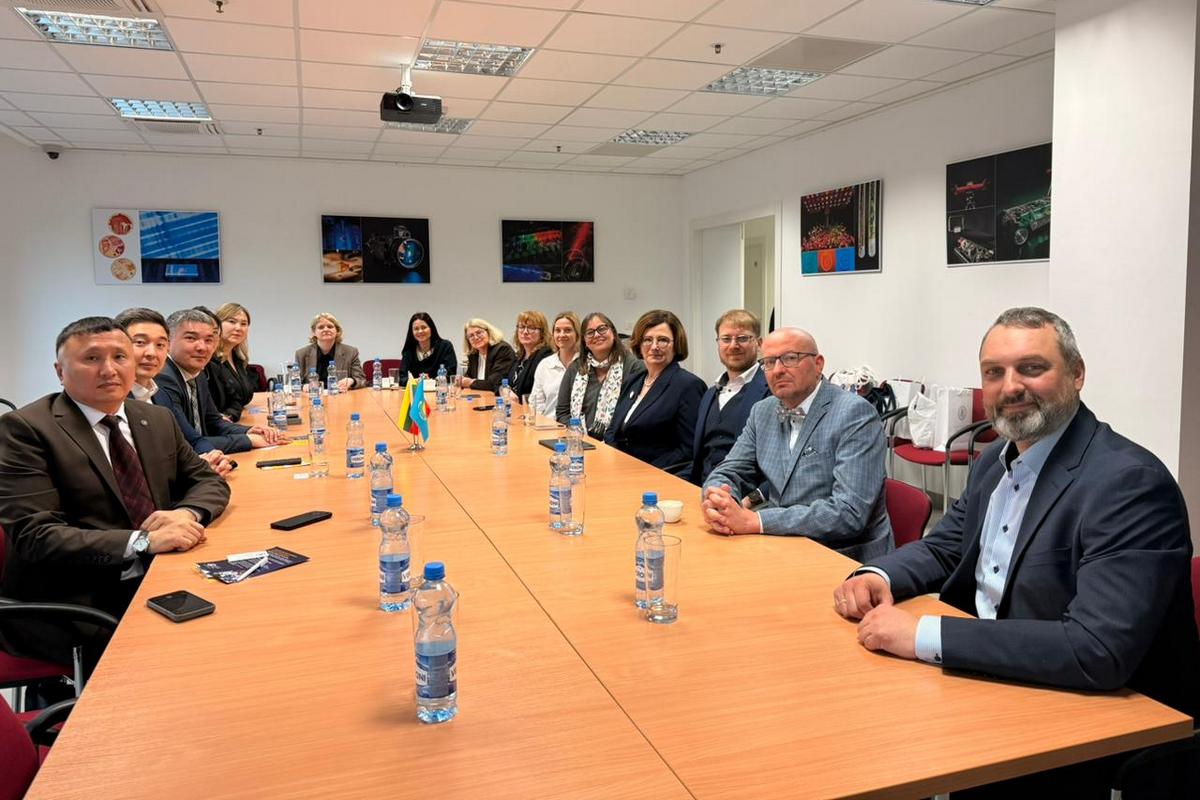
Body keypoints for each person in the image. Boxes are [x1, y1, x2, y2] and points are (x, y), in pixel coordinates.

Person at [834, 308, 1198, 756]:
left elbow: (1097, 648)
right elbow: (948, 546)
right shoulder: (996, 459)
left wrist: (923, 636)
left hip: (1094, 726)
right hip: (992, 678)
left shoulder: (1130, 484)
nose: (1010, 387)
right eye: (994, 372)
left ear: (1077, 374)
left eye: (1032, 368)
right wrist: (877, 575)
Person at [0, 316, 230, 674]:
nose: (109, 369)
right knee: (182, 660)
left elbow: (208, 482)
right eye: (91, 358)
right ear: (60, 371)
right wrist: (143, 541)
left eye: (120, 357)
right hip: (78, 599)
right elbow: (37, 536)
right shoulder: (25, 430)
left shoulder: (155, 418)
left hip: (161, 574)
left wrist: (186, 513)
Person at [701, 327, 892, 562]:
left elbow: (849, 513)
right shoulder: (762, 411)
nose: (778, 370)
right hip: (780, 545)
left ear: (818, 364)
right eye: (769, 362)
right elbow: (729, 470)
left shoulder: (855, 414)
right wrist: (719, 501)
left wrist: (756, 521)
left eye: (790, 358)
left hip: (843, 555)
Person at [114, 307, 233, 478]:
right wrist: (195, 470)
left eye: (160, 345)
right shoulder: (110, 402)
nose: (151, 353)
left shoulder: (159, 394)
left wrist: (213, 458)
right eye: (140, 342)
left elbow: (189, 442)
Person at [155, 308, 285, 454]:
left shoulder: (197, 373)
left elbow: (213, 421)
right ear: (167, 341)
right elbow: (187, 442)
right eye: (191, 338)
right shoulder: (163, 378)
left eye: (209, 340)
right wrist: (248, 440)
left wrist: (248, 430)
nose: (202, 347)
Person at [605, 310, 705, 472]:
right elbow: (612, 430)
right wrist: (618, 461)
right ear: (639, 344)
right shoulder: (633, 381)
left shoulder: (688, 385)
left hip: (659, 474)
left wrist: (643, 470)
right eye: (647, 340)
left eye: (663, 340)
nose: (654, 347)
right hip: (621, 469)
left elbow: (688, 449)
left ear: (676, 345)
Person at [689, 309, 770, 485]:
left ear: (759, 343)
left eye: (742, 338)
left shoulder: (771, 391)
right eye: (726, 339)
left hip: (745, 493)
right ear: (718, 343)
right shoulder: (709, 394)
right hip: (702, 489)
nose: (733, 346)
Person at [556, 312, 645, 437]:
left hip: (619, 442)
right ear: (584, 341)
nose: (597, 335)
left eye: (602, 329)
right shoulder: (575, 368)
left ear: (613, 333)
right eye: (590, 332)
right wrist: (579, 435)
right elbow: (562, 412)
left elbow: (637, 413)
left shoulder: (634, 367)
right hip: (579, 441)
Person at [205, 302, 258, 421]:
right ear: (217, 325)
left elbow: (241, 398)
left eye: (243, 324)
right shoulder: (209, 359)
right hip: (220, 425)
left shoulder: (239, 358)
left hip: (238, 420)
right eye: (232, 322)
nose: (238, 328)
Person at [294, 312, 366, 392]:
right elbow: (294, 382)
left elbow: (361, 380)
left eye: (330, 326)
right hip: (313, 396)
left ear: (337, 331)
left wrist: (352, 381)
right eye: (321, 327)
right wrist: (303, 386)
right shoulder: (301, 354)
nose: (326, 329)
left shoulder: (351, 352)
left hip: (340, 396)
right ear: (313, 332)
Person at [529, 311, 580, 420]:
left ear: (577, 334)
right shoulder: (545, 365)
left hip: (576, 426)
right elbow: (535, 404)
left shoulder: (585, 364)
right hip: (548, 425)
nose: (562, 335)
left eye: (568, 330)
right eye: (557, 330)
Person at [458, 318, 516, 394]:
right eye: (471, 336)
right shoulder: (473, 354)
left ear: (488, 332)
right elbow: (468, 377)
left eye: (479, 332)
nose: (476, 337)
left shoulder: (502, 349)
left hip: (499, 397)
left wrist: (470, 382)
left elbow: (494, 383)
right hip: (479, 396)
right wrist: (460, 380)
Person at [505, 310, 552, 402]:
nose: (525, 332)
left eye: (531, 328)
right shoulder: (519, 356)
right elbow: (504, 381)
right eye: (522, 327)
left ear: (542, 333)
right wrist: (505, 389)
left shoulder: (545, 357)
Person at [401, 312, 456, 380]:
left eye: (423, 327)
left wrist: (431, 381)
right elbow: (402, 378)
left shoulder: (445, 347)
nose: (420, 331)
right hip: (416, 386)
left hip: (439, 386)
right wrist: (416, 381)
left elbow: (451, 374)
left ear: (431, 328)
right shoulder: (408, 352)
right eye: (416, 329)